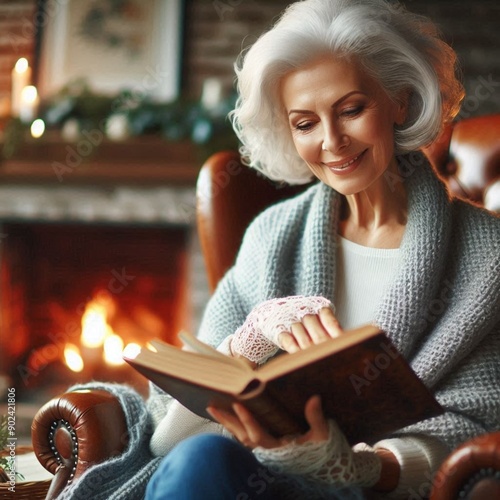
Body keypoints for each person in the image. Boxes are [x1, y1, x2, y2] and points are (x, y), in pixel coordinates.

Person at [57, 0, 500, 499]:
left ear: (399, 100)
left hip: (377, 491)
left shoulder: (486, 255)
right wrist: (248, 342)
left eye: (352, 109)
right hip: (247, 482)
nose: (332, 142)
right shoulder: (271, 235)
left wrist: (353, 468)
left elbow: (477, 432)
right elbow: (169, 440)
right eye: (305, 123)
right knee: (203, 458)